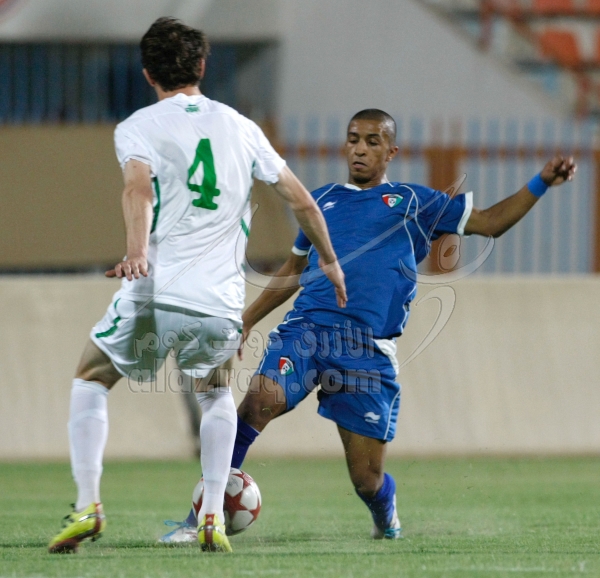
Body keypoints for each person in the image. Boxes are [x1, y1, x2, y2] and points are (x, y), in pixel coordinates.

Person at [161, 108, 576, 543]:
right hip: (307, 330)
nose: (360, 149)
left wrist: (541, 182)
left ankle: (385, 507)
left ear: (391, 152)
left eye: (372, 141)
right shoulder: (319, 201)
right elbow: (293, 272)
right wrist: (245, 321)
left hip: (367, 350)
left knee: (366, 479)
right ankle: (200, 521)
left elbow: (491, 222)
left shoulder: (414, 202)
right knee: (256, 404)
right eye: (354, 139)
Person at [47, 17, 346, 555]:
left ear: (147, 74)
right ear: (202, 66)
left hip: (156, 285)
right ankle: (211, 515)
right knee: (215, 394)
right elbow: (301, 200)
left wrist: (136, 252)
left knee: (91, 377)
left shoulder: (138, 125)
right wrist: (329, 259)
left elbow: (138, 190)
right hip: (218, 298)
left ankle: (88, 505)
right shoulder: (242, 127)